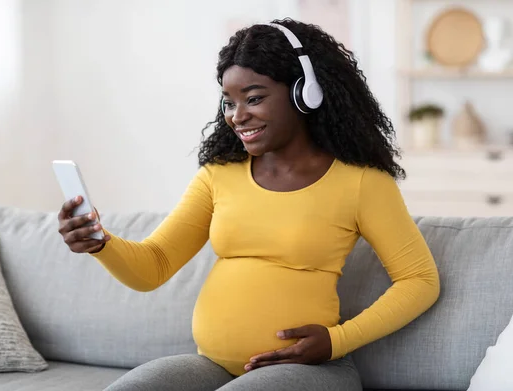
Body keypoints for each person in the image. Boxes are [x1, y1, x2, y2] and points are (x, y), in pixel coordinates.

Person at [57, 18, 440, 391]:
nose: (237, 117)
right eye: (229, 102)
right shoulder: (218, 176)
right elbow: (153, 267)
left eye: (254, 98)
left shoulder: (361, 182)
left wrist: (336, 340)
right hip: (213, 367)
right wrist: (99, 243)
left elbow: (419, 281)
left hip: (312, 372)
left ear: (305, 93)